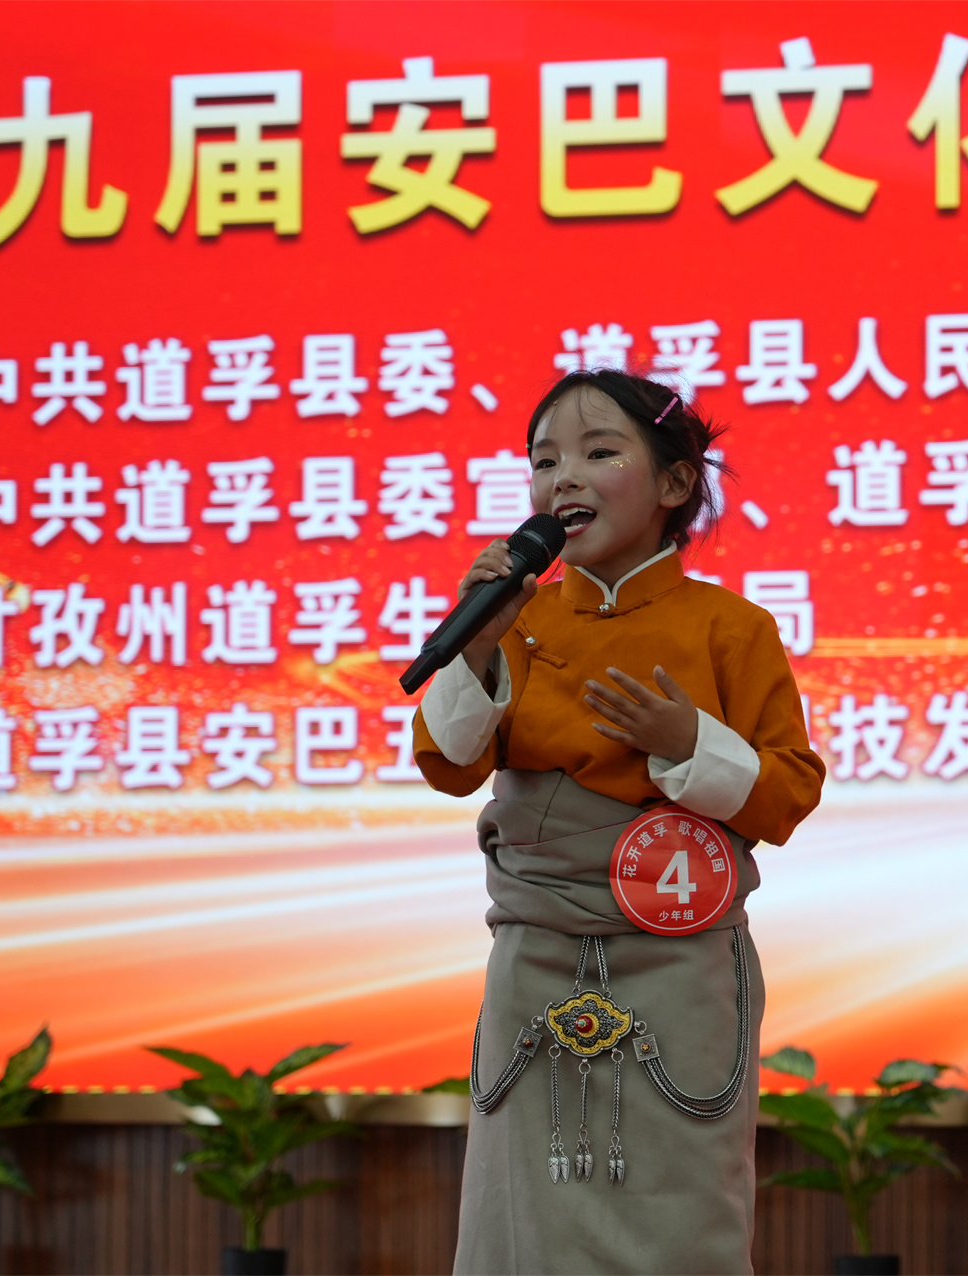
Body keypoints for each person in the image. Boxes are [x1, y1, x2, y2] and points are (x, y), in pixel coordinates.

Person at [412, 367, 824, 1275]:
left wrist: (688, 742)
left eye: (599, 453)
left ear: (675, 483)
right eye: (543, 460)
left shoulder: (732, 628)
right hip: (537, 951)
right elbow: (449, 764)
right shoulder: (514, 621)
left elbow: (787, 794)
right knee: (524, 1200)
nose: (563, 477)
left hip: (677, 956)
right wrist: (476, 648)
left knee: (679, 1192)